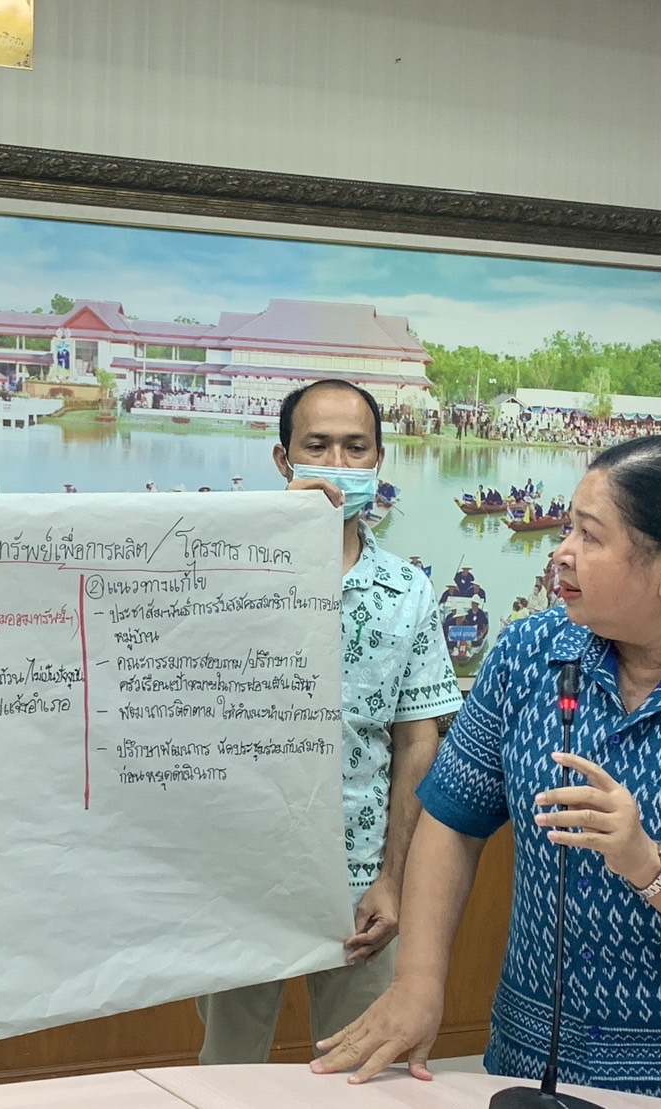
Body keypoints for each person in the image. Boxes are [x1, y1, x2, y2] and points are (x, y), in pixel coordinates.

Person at [312, 435, 661, 1109]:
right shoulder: (527, 655)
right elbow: (451, 820)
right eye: (565, 526)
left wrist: (647, 861)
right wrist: (419, 982)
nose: (560, 551)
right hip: (538, 1065)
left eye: (588, 536)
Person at [196, 379, 462, 1064]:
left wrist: (394, 881)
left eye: (355, 447)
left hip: (360, 890)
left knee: (355, 1071)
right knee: (226, 1069)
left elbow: (416, 743)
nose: (336, 462)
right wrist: (265, 543)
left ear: (378, 461)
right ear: (284, 461)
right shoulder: (221, 571)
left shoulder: (406, 592)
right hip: (236, 877)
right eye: (317, 446)